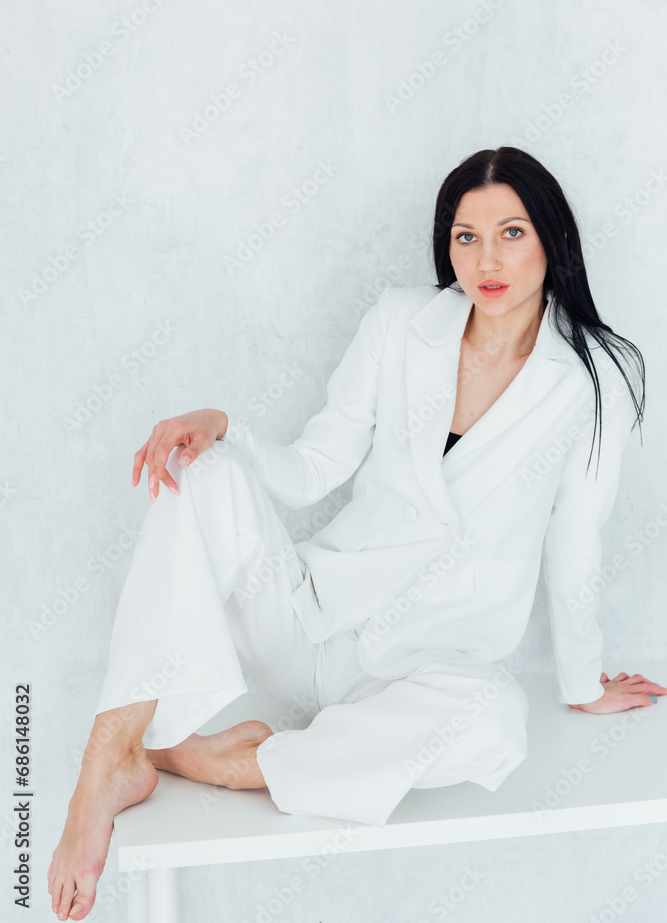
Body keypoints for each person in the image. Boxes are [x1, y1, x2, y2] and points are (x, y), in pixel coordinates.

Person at [47, 147, 665, 920]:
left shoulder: (588, 377)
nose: (486, 259)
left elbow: (577, 541)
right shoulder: (401, 322)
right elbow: (313, 467)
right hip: (309, 621)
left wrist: (581, 684)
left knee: (495, 717)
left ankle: (223, 763)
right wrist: (227, 428)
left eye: (510, 232)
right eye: (464, 237)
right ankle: (110, 758)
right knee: (198, 472)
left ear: (551, 237)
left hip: (424, 667)